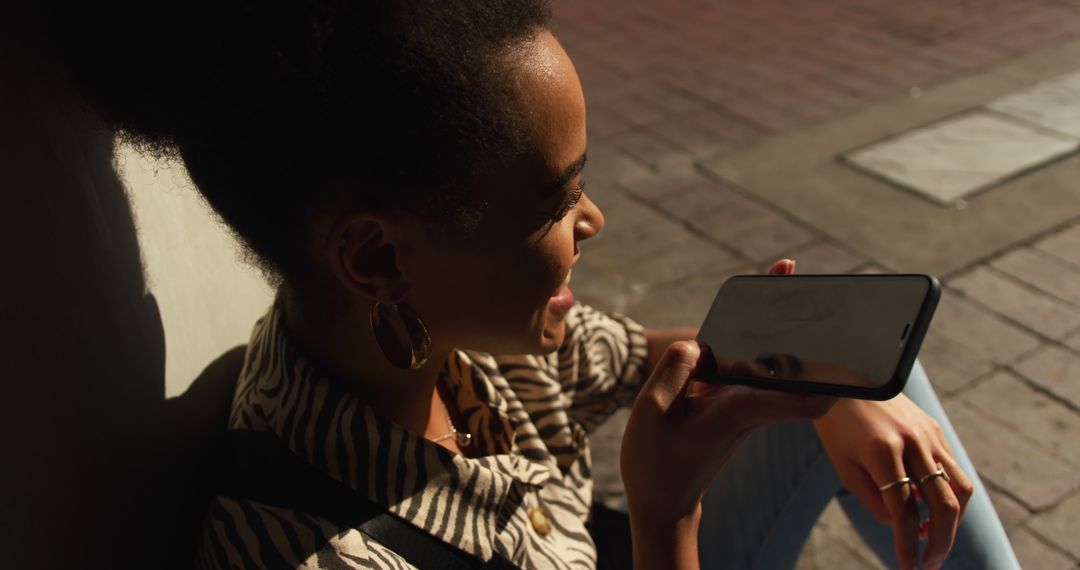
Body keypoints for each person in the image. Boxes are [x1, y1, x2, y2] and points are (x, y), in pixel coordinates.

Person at [57, 1, 1019, 568]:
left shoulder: (438, 334)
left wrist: (806, 388)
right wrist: (665, 513)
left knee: (878, 382)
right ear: (380, 259)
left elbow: (640, 353)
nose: (594, 222)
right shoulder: (320, 548)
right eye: (558, 202)